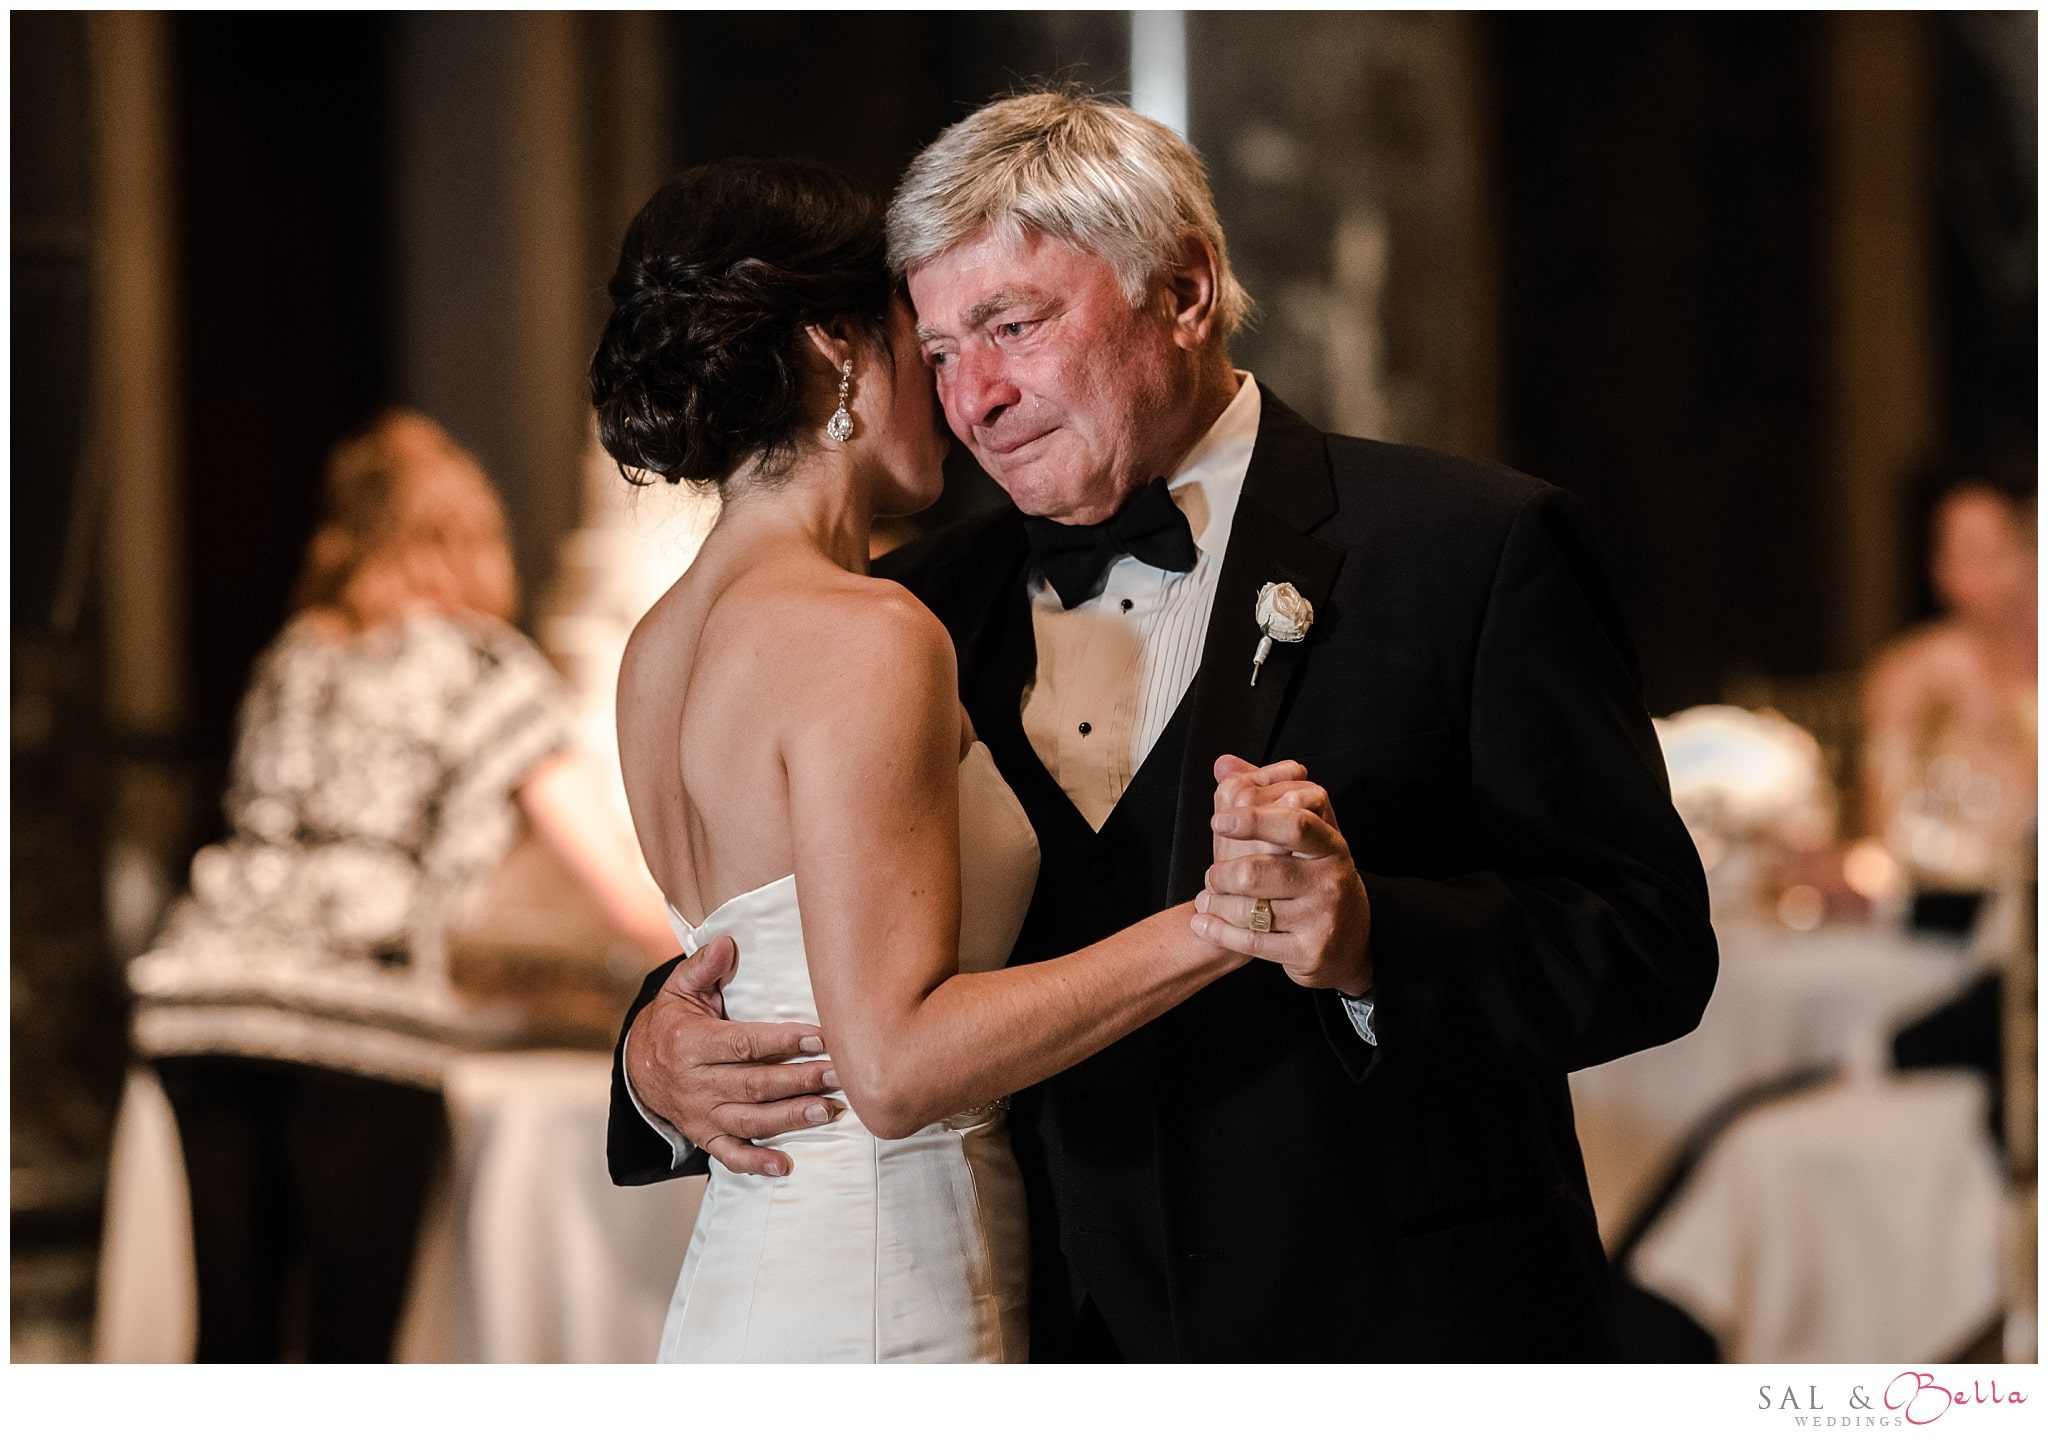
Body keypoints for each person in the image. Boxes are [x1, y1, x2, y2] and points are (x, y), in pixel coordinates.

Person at [610, 94, 1719, 1362]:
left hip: (1384, 1331)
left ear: (1184, 291)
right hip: (1042, 1339)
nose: (972, 399)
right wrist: (654, 1058)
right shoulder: (905, 608)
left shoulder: (1468, 550)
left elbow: (1647, 943)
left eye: (1011, 327)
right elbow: (819, 937)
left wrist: (1366, 942)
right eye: (938, 350)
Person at [128, 411, 675, 1362]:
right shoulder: (480, 665)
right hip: (356, 1020)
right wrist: (723, 962)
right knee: (350, 1350)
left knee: (230, 1345)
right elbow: (612, 883)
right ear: (475, 538)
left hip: (201, 999)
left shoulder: (295, 654)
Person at [1863, 477, 2036, 906]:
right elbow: (1887, 818)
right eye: (1974, 554)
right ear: (1941, 569)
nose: (1998, 571)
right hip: (1952, 905)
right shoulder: (1914, 670)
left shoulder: (2028, 668)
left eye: (2004, 550)